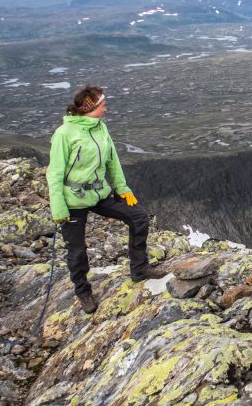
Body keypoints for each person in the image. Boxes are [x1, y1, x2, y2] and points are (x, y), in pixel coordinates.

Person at [47, 85, 165, 313]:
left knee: (139, 217)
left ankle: (140, 269)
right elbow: (54, 173)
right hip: (72, 199)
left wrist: (123, 189)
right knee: (77, 249)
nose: (106, 109)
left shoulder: (101, 128)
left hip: (99, 193)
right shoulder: (64, 134)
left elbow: (113, 161)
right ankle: (83, 292)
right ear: (90, 107)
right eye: (103, 105)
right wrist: (59, 208)